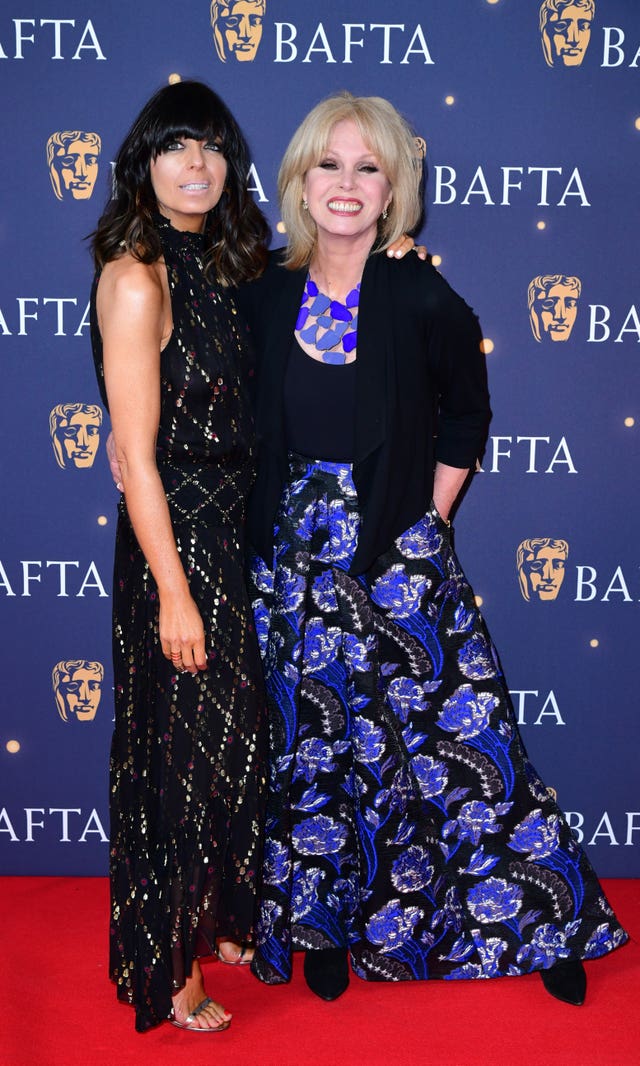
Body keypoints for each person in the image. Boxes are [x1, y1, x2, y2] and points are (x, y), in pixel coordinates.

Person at [243, 92, 627, 1005]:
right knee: (318, 747)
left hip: (398, 546)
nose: (347, 184)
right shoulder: (262, 290)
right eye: (329, 165)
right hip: (293, 556)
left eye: (367, 167)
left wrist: (430, 520)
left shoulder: (418, 290)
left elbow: (468, 415)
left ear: (394, 188)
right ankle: (324, 929)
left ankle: (538, 926)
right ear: (299, 179)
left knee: (467, 742)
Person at [89, 80, 271, 1033]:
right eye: (176, 147)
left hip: (238, 536)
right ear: (144, 164)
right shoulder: (136, 275)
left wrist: (393, 250)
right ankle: (171, 973)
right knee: (178, 762)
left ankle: (218, 922)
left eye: (211, 148)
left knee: (237, 747)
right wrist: (172, 592)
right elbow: (136, 457)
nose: (196, 165)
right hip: (179, 543)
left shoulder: (230, 264)